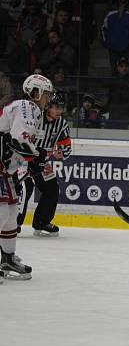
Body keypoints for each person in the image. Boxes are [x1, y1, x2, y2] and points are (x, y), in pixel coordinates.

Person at [0, 74, 52, 279]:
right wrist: (35, 157)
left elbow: (18, 143)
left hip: (6, 169)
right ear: (35, 92)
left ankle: (7, 258)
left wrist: (33, 157)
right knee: (3, 213)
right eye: (46, 94)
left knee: (11, 214)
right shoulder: (27, 107)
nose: (48, 98)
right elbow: (17, 140)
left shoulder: (31, 110)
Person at [17, 90, 72, 237]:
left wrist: (63, 153)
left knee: (52, 189)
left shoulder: (61, 124)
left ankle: (41, 222)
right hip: (24, 160)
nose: (59, 111)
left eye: (61, 108)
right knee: (24, 187)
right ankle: (14, 223)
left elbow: (66, 146)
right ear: (48, 106)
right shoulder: (35, 117)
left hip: (42, 162)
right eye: (56, 107)